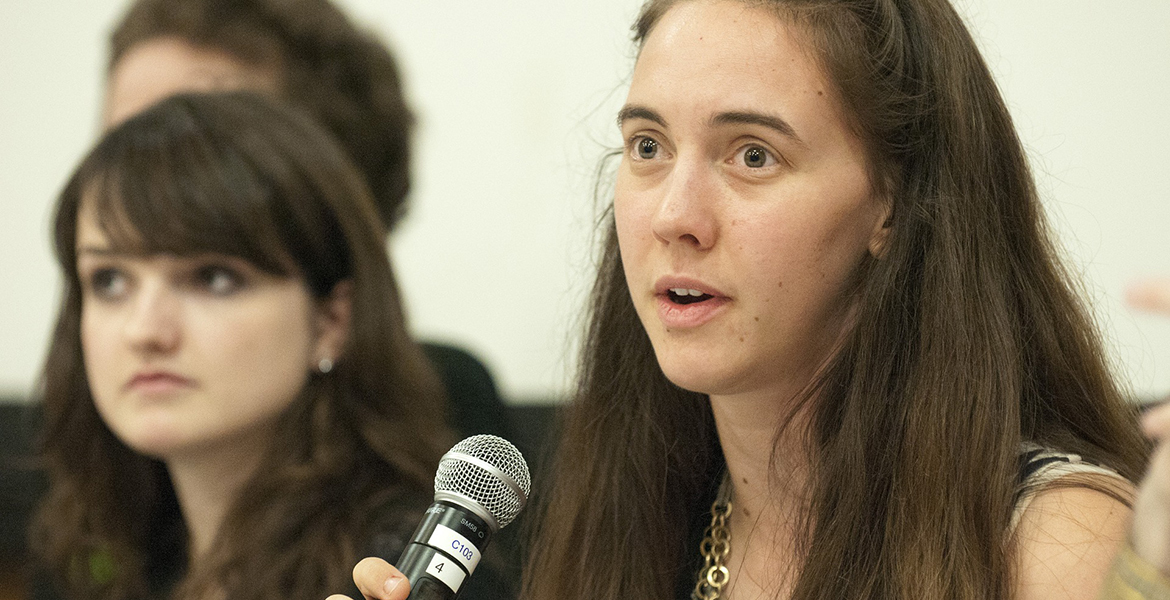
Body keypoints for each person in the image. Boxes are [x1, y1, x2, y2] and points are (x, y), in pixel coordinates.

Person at [335, 0, 1157, 599]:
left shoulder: (1056, 547)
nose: (675, 216)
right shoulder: (644, 508)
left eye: (752, 155)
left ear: (892, 204)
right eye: (648, 146)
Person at [28, 91, 468, 600]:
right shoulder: (95, 551)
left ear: (331, 320)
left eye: (213, 278)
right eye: (108, 280)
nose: (144, 330)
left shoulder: (410, 570)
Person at [101, 0, 513, 442]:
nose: (142, 185)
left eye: (204, 148)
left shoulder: (447, 423)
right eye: (120, 145)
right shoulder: (91, 421)